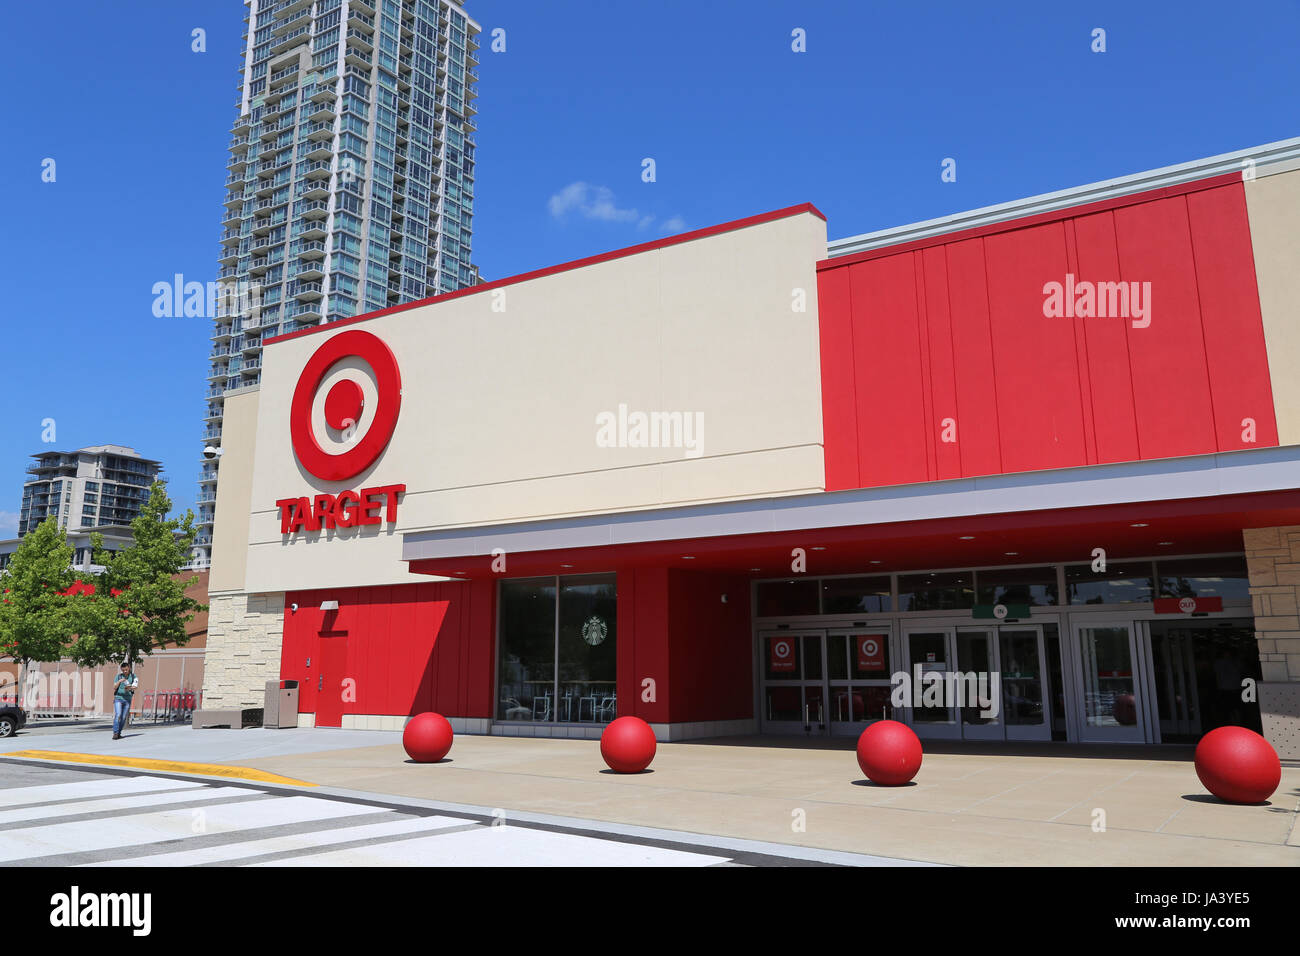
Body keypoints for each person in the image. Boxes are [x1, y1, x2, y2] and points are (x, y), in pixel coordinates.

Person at [112, 662, 138, 740]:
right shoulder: (118, 676)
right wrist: (120, 681)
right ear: (121, 670)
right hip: (118, 698)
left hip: (127, 699)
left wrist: (129, 688)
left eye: (126, 670)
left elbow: (135, 687)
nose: (125, 671)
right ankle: (115, 733)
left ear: (129, 668)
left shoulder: (133, 676)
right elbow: (114, 687)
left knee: (123, 717)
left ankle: (119, 733)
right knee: (118, 715)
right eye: (123, 670)